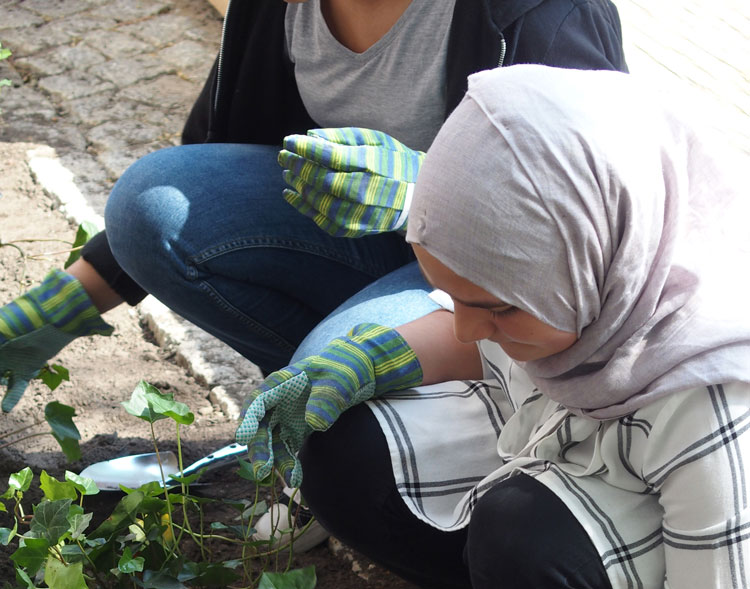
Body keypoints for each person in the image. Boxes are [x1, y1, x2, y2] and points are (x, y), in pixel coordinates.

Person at [234, 63, 749, 589]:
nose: (469, 329)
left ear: (597, 264)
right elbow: (478, 335)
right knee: (352, 452)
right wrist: (363, 360)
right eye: (456, 294)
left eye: (496, 310)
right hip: (637, 505)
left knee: (526, 539)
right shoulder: (596, 276)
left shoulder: (717, 391)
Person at [0, 0, 627, 545]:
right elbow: (214, 156)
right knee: (151, 203)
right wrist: (58, 309)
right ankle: (313, 410)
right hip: (373, 249)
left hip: (490, 286)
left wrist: (432, 189)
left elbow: (601, 219)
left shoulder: (538, 14)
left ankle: (416, 465)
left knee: (340, 380)